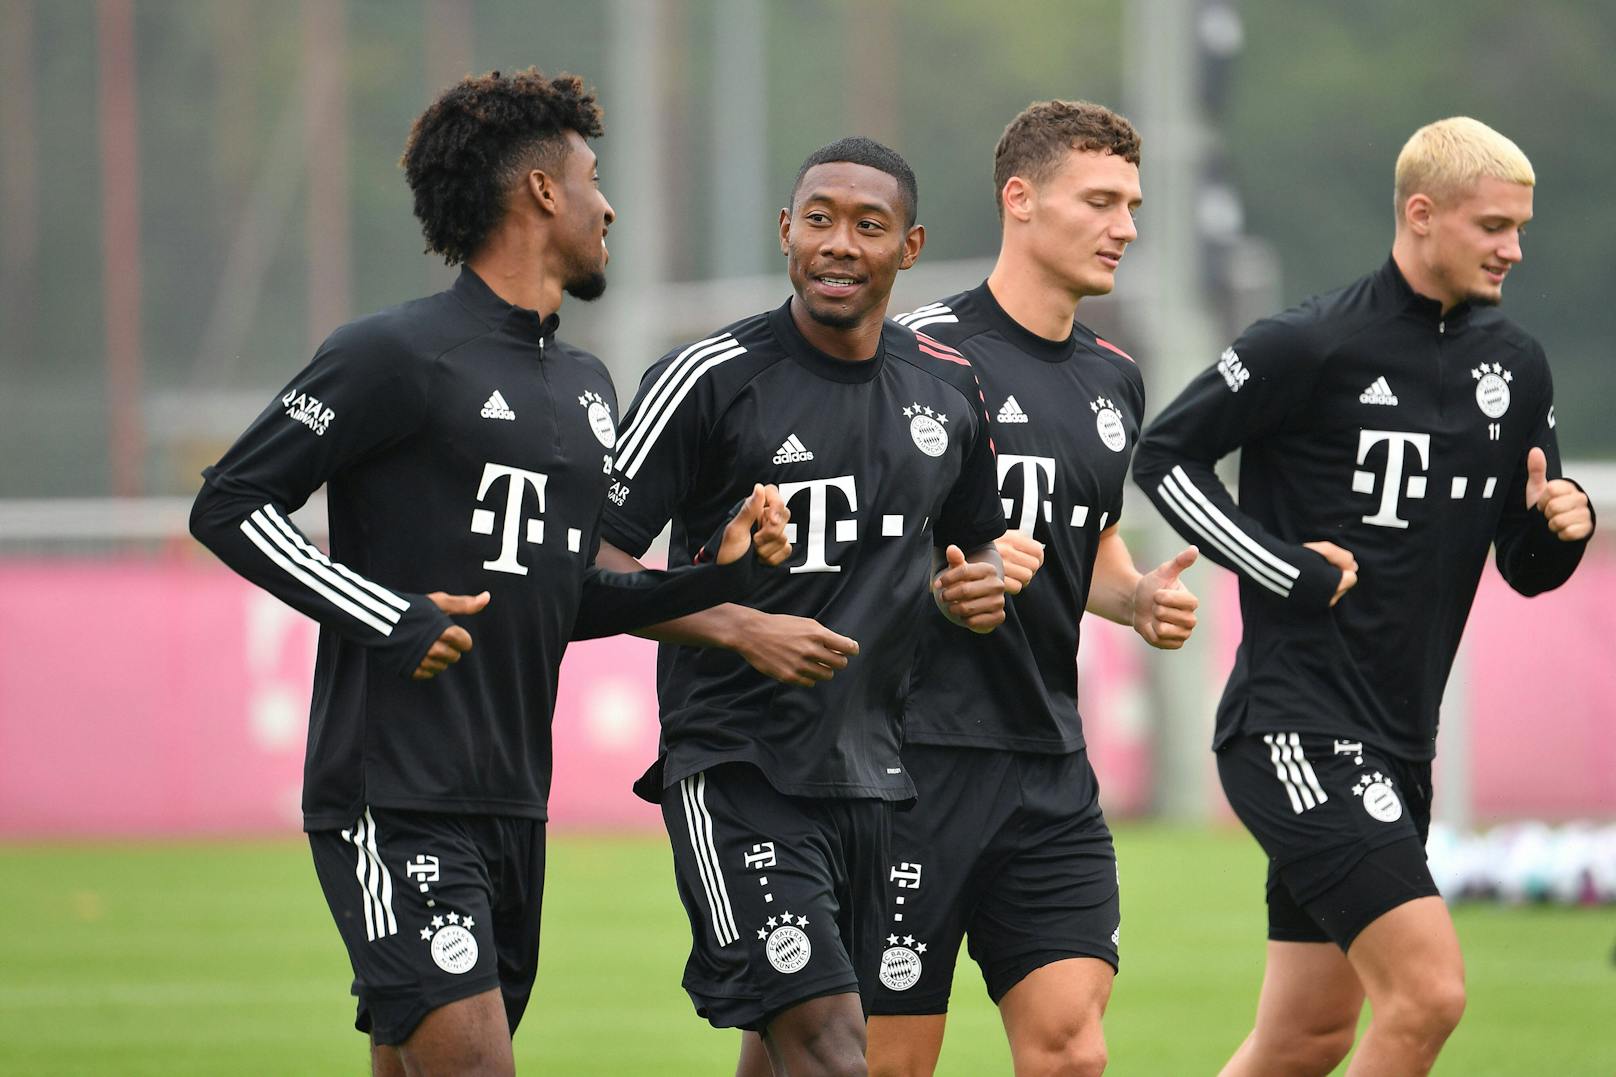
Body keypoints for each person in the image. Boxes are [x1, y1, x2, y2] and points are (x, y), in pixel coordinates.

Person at [189, 68, 790, 1077]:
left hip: (512, 802)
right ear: (544, 194)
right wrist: (387, 613)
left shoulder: (587, 386)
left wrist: (711, 577)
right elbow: (230, 502)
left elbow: (565, 599)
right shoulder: (393, 353)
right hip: (393, 791)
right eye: (593, 178)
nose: (610, 206)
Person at [1132, 116, 1595, 1076]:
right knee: (1429, 994)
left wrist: (1562, 526)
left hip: (1398, 740)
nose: (1513, 249)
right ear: (1421, 215)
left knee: (1305, 1037)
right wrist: (1280, 565)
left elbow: (1522, 561)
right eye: (1493, 227)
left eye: (1521, 228)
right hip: (1295, 726)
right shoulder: (1311, 342)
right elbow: (1164, 456)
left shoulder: (1515, 365)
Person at [593, 137, 1008, 1077]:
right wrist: (737, 623)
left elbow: (974, 545)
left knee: (783, 1050)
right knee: (829, 1043)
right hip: (737, 765)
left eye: (870, 226)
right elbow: (592, 563)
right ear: (786, 232)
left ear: (910, 247)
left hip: (872, 776)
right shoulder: (706, 377)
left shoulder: (946, 388)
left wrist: (977, 586)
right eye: (819, 219)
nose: (839, 243)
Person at [862, 101, 1200, 1077]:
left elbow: (1082, 541)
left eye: (1131, 205)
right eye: (1099, 201)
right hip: (904, 766)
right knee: (883, 1063)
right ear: (1019, 199)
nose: (1124, 227)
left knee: (1070, 1052)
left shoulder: (1112, 380)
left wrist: (1133, 598)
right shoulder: (910, 355)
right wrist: (942, 579)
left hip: (1046, 769)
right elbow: (848, 549)